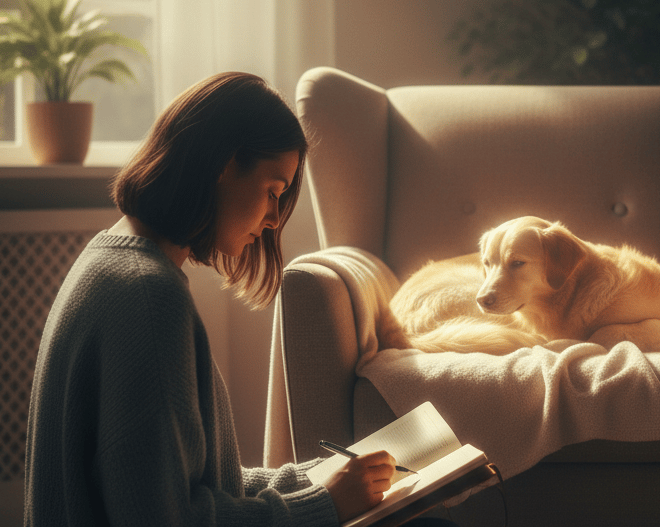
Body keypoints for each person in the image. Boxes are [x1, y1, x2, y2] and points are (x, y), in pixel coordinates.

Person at [24, 72, 455, 526]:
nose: (274, 219)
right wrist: (325, 505)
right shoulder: (149, 297)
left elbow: (192, 484)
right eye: (273, 192)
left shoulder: (109, 263)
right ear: (224, 164)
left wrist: (320, 478)